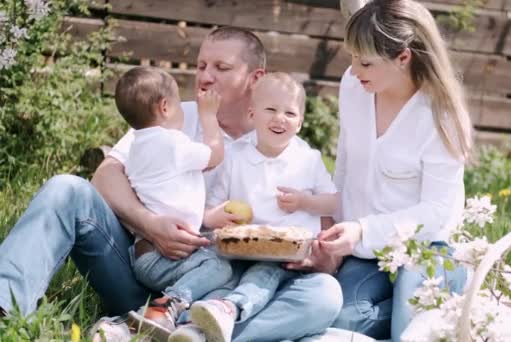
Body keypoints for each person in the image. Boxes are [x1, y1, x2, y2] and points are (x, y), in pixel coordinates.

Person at [0, 26, 342, 342]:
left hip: (222, 295)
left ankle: (163, 331)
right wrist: (150, 224)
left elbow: (323, 224)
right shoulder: (174, 115)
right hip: (144, 272)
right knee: (65, 189)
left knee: (324, 295)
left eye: (221, 68)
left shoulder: (281, 137)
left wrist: (323, 260)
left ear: (256, 79)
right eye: (201, 65)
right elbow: (106, 175)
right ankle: (4, 307)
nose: (205, 76)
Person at [312, 0, 472, 340]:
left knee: (408, 328)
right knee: (343, 322)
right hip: (366, 250)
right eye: (352, 56)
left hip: (427, 245)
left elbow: (437, 211)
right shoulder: (354, 86)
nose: (354, 70)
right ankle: (449, 310)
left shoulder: (441, 117)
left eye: (365, 61)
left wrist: (362, 229)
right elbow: (344, 166)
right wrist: (331, 231)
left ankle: (454, 294)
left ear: (403, 57)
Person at [177, 72, 338, 342]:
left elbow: (334, 201)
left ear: (300, 122)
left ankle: (229, 310)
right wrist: (217, 217)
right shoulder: (236, 156)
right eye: (271, 110)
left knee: (269, 273)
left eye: (290, 113)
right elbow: (213, 207)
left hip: (288, 258)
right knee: (221, 275)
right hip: (239, 252)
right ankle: (183, 315)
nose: (280, 118)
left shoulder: (308, 159)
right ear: (252, 114)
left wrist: (305, 202)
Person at [111, 66, 232, 335]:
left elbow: (170, 197)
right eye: (178, 102)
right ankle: (166, 305)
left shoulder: (136, 147)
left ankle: (176, 324)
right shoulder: (172, 143)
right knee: (220, 268)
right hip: (161, 258)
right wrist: (208, 116)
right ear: (165, 107)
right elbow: (214, 156)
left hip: (145, 253)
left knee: (215, 274)